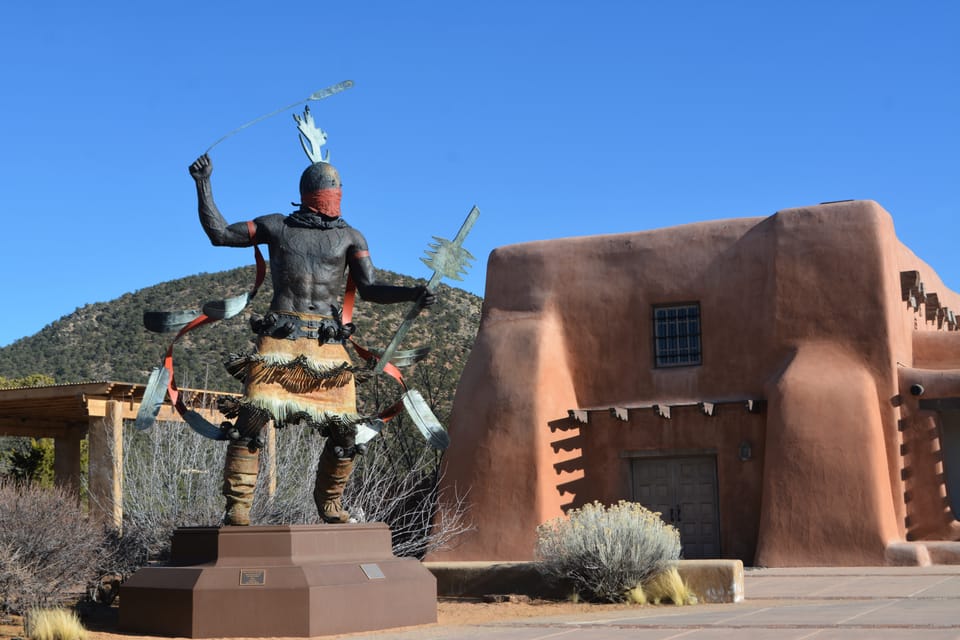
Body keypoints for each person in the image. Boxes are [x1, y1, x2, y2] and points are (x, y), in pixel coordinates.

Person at [188, 153, 434, 525]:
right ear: (312, 193)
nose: (330, 196)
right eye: (328, 189)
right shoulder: (277, 226)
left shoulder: (350, 236)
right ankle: (238, 506)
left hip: (328, 343)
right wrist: (203, 184)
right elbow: (220, 234)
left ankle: (331, 504)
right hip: (279, 341)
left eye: (334, 190)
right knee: (251, 421)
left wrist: (412, 292)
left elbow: (369, 288)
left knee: (345, 432)